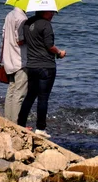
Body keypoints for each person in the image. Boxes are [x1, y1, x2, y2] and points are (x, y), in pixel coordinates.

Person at [16, 10, 66, 138]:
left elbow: (23, 41)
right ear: (45, 11)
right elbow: (49, 45)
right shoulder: (46, 25)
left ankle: (20, 123)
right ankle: (40, 128)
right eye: (52, 12)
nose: (53, 15)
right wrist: (59, 52)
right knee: (43, 98)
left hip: (32, 65)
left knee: (30, 95)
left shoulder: (28, 23)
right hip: (46, 66)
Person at [2, 6, 28, 123]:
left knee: (11, 90)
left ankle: (8, 119)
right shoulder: (22, 18)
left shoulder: (9, 15)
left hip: (9, 58)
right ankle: (16, 122)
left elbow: (4, 34)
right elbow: (20, 40)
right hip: (20, 59)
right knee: (20, 92)